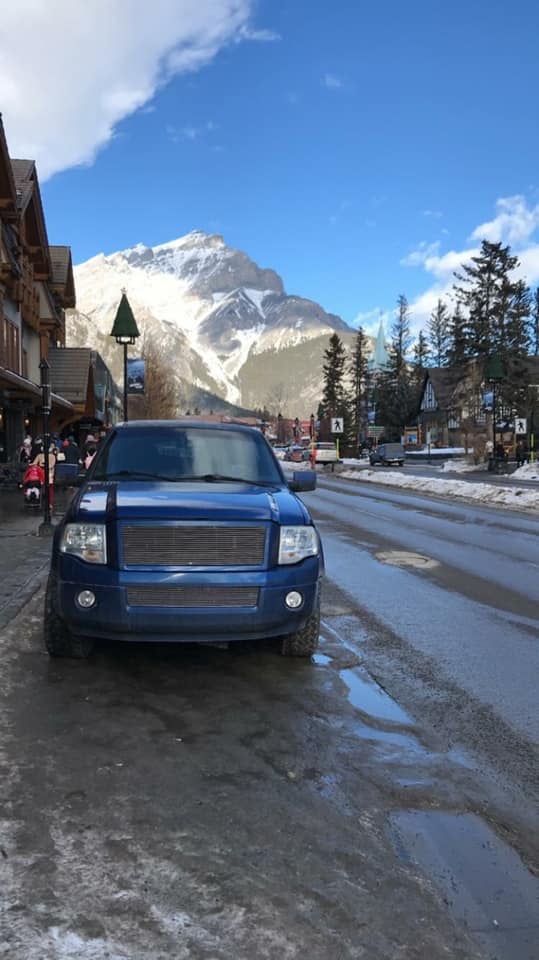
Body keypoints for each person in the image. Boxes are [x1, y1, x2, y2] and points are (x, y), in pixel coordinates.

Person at [32, 442, 56, 509]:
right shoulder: (40, 455)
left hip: (49, 474)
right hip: (41, 474)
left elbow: (51, 465)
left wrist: (41, 465)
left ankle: (50, 503)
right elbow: (34, 463)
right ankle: (40, 501)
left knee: (49, 489)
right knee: (41, 487)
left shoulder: (52, 456)